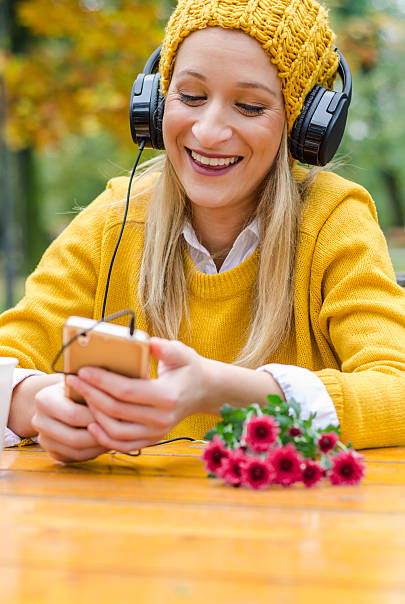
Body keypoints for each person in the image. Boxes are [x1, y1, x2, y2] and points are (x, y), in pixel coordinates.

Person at [1, 0, 405, 463]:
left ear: (305, 126)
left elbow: (397, 389)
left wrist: (218, 391)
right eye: (190, 96)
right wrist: (34, 403)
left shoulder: (335, 219)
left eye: (250, 106)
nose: (209, 131)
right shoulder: (114, 218)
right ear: (154, 103)